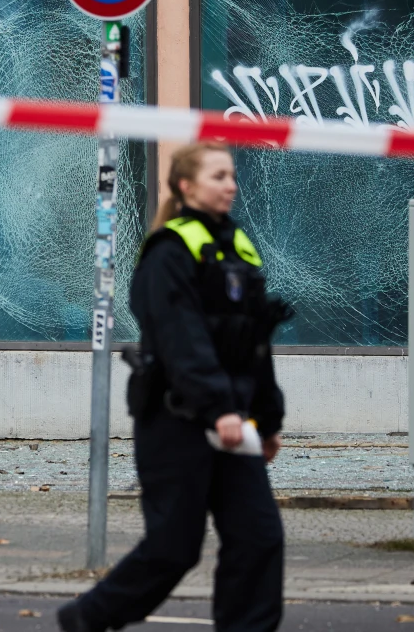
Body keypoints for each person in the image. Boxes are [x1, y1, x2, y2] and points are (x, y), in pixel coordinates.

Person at [59, 142, 288, 632]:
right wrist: (220, 408)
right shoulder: (168, 252)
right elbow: (182, 338)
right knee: (173, 549)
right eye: (218, 176)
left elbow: (254, 344)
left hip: (231, 422)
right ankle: (86, 619)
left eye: (231, 175)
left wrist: (267, 421)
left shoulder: (238, 247)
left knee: (259, 538)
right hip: (177, 421)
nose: (231, 184)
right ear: (186, 186)